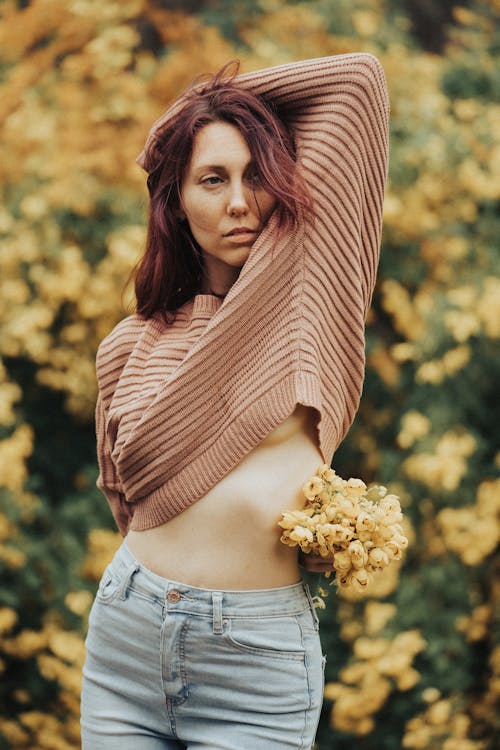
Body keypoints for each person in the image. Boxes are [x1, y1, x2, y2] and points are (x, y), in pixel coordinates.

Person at [80, 52, 389, 749]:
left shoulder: (307, 308)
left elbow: (359, 82)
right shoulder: (130, 344)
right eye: (211, 179)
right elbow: (121, 501)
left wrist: (194, 112)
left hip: (254, 660)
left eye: (257, 177)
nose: (240, 201)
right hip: (127, 638)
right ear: (176, 201)